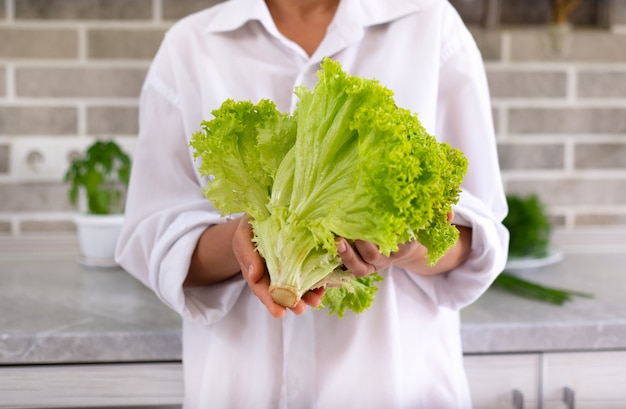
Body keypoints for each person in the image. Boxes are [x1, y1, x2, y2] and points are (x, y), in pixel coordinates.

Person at [115, 0, 509, 407]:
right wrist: (245, 240)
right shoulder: (191, 46)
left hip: (397, 386)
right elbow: (155, 242)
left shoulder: (430, 22)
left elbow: (478, 236)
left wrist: (407, 245)